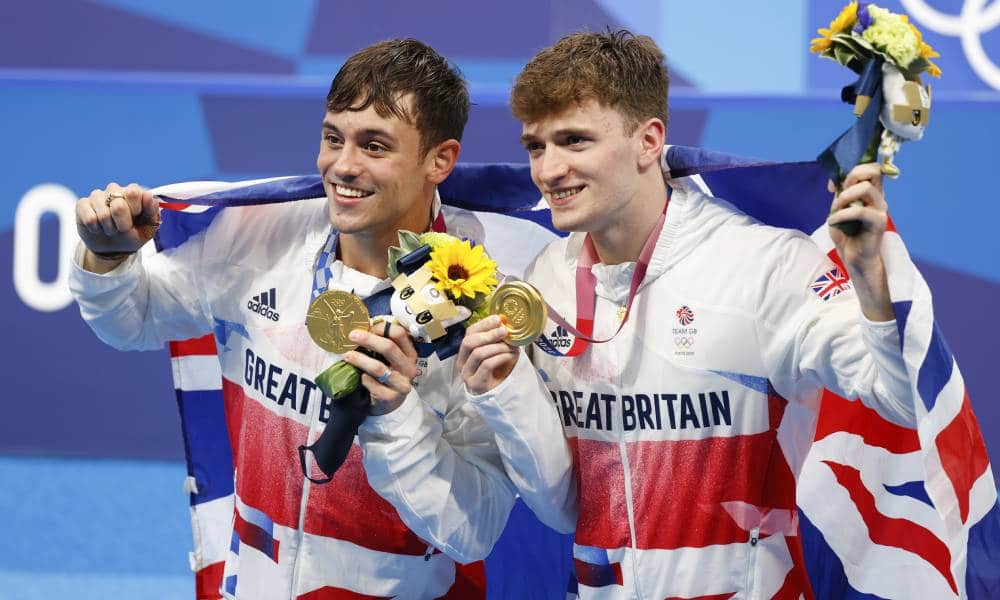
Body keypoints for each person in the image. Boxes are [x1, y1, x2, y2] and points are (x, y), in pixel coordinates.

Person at [455, 30, 915, 598]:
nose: (548, 170)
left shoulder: (762, 266)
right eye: (535, 146)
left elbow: (900, 399)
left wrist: (873, 290)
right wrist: (503, 393)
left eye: (574, 141)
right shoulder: (544, 278)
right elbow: (565, 507)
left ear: (649, 141)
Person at [69, 38, 516, 599]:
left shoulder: (478, 311)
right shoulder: (262, 233)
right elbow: (134, 321)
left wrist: (397, 418)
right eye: (333, 138)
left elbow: (473, 529)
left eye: (374, 146)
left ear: (439, 160)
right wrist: (106, 257)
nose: (342, 166)